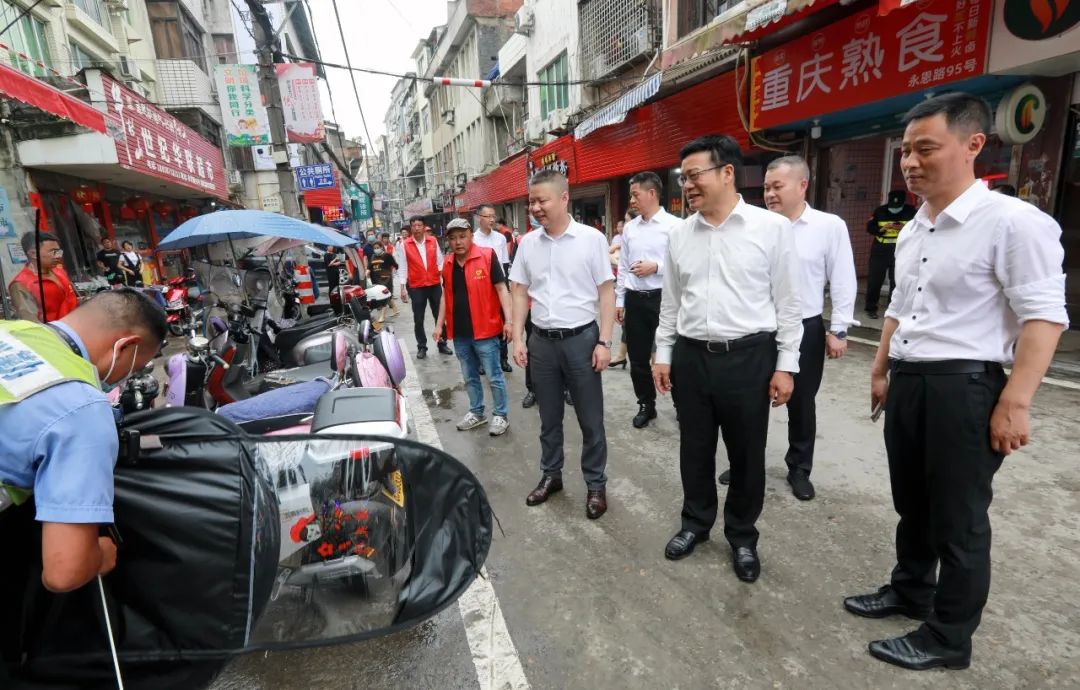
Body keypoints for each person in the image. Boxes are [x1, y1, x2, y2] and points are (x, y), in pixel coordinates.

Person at [845, 93, 1068, 671]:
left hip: (966, 387)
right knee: (912, 502)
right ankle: (910, 589)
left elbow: (1044, 315)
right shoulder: (917, 225)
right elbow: (899, 302)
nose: (912, 163)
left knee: (958, 518)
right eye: (906, 152)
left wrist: (1015, 400)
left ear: (972, 145)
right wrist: (881, 366)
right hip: (911, 381)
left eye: (926, 149)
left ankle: (948, 637)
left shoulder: (1014, 224)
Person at [653, 134, 802, 583]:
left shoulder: (771, 229)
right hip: (692, 358)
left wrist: (786, 365)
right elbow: (671, 303)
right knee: (694, 448)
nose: (687, 185)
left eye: (694, 175)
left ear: (727, 173)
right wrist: (664, 354)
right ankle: (695, 524)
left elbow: (789, 303)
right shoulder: (679, 235)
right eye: (683, 178)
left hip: (749, 358)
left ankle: (741, 536)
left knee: (746, 453)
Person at [0, 289, 166, 601]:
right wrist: (101, 554)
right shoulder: (82, 407)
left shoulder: (10, 330)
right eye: (135, 367)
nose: (125, 379)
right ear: (125, 346)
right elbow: (65, 571)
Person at [751, 155, 857, 501]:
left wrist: (838, 329)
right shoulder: (757, 225)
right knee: (750, 401)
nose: (769, 194)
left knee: (801, 401)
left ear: (802, 185)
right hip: (760, 327)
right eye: (766, 187)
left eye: (777, 186)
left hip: (805, 328)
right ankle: (747, 463)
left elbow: (842, 279)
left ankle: (799, 468)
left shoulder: (829, 226)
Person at [510, 170, 615, 519]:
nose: (536, 207)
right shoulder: (527, 244)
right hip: (542, 341)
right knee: (548, 417)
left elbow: (606, 291)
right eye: (532, 202)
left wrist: (604, 340)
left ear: (564, 198)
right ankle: (551, 475)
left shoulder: (591, 239)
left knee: (590, 419)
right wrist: (517, 336)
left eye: (542, 200)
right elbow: (520, 291)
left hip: (581, 340)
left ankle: (595, 484)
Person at [434, 218, 514, 437]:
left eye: (462, 236)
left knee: (494, 376)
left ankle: (501, 415)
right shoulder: (448, 264)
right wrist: (439, 325)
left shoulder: (487, 256)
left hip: (486, 331)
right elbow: (445, 296)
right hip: (460, 332)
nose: (458, 242)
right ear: (448, 241)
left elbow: (501, 289)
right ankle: (477, 412)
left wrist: (509, 321)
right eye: (453, 238)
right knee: (469, 377)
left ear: (471, 235)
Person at [615, 171, 681, 429]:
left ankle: (681, 405)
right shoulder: (630, 228)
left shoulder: (674, 226)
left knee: (672, 355)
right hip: (635, 299)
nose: (632, 200)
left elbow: (682, 262)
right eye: (631, 195)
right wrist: (620, 301)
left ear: (652, 193)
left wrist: (657, 267)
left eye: (635, 194)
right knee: (638, 358)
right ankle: (646, 404)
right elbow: (622, 267)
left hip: (664, 299)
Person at [397, 216, 452, 359]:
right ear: (411, 228)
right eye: (414, 225)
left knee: (439, 315)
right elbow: (402, 267)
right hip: (416, 286)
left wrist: (445, 279)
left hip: (434, 284)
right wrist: (402, 287)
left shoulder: (433, 241)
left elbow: (440, 262)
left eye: (419, 225)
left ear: (424, 227)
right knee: (418, 319)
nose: (416, 228)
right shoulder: (405, 245)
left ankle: (442, 343)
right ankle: (422, 346)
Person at [472, 204, 513, 373]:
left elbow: (504, 264)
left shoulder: (500, 238)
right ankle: (482, 361)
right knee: (482, 324)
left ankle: (503, 358)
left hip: (499, 285)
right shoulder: (473, 239)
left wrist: (506, 289)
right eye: (488, 216)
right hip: (480, 286)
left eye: (493, 216)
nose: (492, 219)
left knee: (502, 321)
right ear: (478, 218)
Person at [864, 189, 915, 320]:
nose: (894, 209)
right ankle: (871, 308)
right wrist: (881, 230)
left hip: (901, 251)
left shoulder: (911, 212)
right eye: (893, 205)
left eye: (897, 206)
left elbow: (918, 230)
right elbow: (870, 227)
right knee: (875, 281)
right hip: (880, 250)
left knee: (896, 282)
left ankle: (892, 310)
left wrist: (903, 229)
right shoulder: (880, 211)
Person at [9, 232, 78, 323]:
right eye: (53, 252)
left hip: (79, 328)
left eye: (59, 251)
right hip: (57, 334)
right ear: (33, 254)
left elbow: (71, 300)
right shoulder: (21, 285)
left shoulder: (59, 270)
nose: (58, 256)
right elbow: (33, 324)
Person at [367, 238, 400, 320]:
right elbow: (369, 267)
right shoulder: (373, 256)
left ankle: (382, 316)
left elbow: (396, 265)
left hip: (386, 279)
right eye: (374, 248)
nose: (376, 249)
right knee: (387, 295)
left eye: (377, 247)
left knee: (383, 296)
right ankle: (395, 310)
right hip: (376, 279)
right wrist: (367, 272)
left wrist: (393, 271)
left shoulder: (387, 255)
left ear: (381, 247)